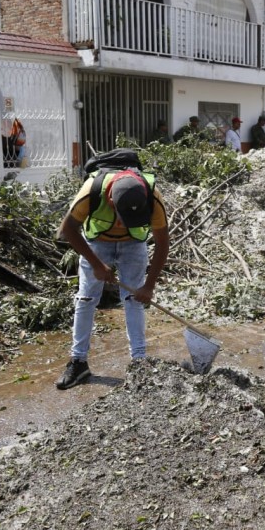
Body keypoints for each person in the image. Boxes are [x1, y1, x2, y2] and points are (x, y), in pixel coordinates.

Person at [55, 160, 170, 390]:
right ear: (110, 201)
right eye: (121, 216)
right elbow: (66, 230)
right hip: (97, 243)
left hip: (134, 245)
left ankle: (140, 364)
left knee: (133, 299)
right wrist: (96, 264)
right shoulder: (91, 191)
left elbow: (162, 242)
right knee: (86, 299)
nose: (122, 223)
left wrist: (148, 286)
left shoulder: (152, 196)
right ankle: (78, 362)